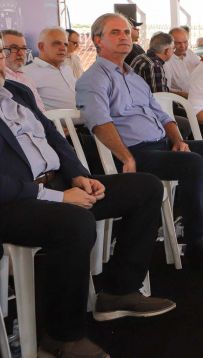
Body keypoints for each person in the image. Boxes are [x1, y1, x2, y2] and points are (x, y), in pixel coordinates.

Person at [0, 37, 176, 358]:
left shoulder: (18, 92)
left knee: (146, 187)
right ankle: (60, 337)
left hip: (58, 183)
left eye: (0, 53)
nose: (3, 60)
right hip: (15, 200)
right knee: (74, 222)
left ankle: (118, 292)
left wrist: (79, 175)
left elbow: (55, 138)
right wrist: (56, 197)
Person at [77, 13, 203, 263]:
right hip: (136, 153)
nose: (124, 37)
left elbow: (164, 116)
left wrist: (178, 141)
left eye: (126, 32)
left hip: (163, 145)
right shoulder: (94, 78)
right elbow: (99, 123)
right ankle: (195, 241)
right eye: (115, 32)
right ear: (98, 40)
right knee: (192, 163)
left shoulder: (133, 77)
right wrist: (126, 158)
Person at [22, 26, 78, 111]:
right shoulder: (27, 74)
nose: (63, 48)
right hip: (66, 124)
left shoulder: (67, 69)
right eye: (57, 43)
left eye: (65, 44)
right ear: (41, 47)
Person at [1, 29, 45, 111]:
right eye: (14, 48)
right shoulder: (2, 78)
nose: (21, 53)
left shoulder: (27, 78)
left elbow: (41, 110)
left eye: (24, 48)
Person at [162, 26, 197, 99]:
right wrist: (184, 95)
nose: (183, 46)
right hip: (179, 102)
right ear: (170, 43)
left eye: (185, 42)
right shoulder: (166, 61)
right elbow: (165, 91)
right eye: (178, 43)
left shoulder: (190, 53)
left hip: (196, 98)